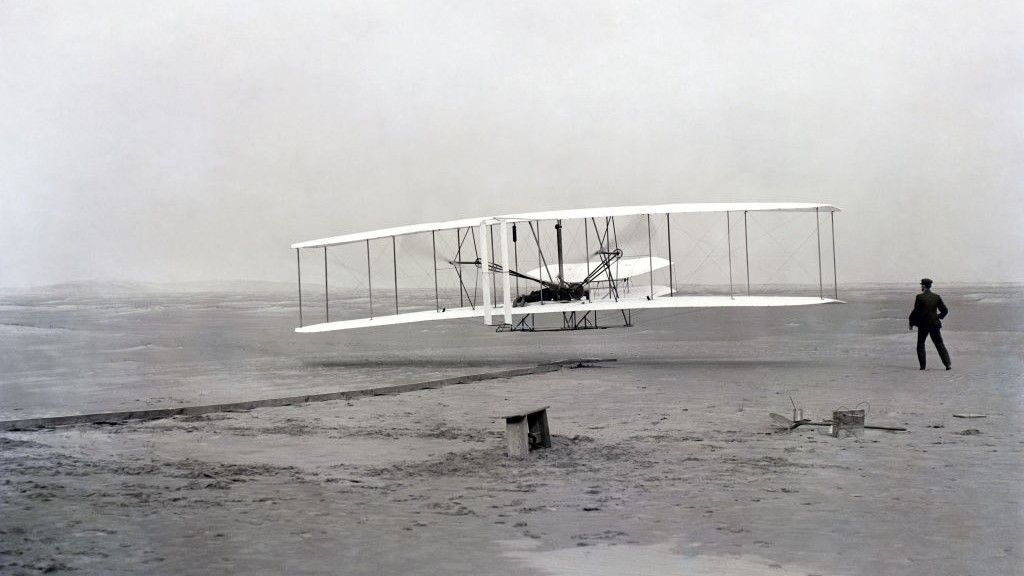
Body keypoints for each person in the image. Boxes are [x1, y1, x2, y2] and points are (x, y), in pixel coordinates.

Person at [908, 278, 951, 370]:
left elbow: (916, 311)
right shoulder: (937, 297)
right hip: (934, 324)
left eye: (921, 285)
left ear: (923, 286)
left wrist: (911, 321)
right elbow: (945, 310)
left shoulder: (919, 297)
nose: (921, 287)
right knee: (939, 344)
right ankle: (948, 365)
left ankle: (922, 367)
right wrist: (938, 317)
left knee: (920, 344)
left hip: (923, 324)